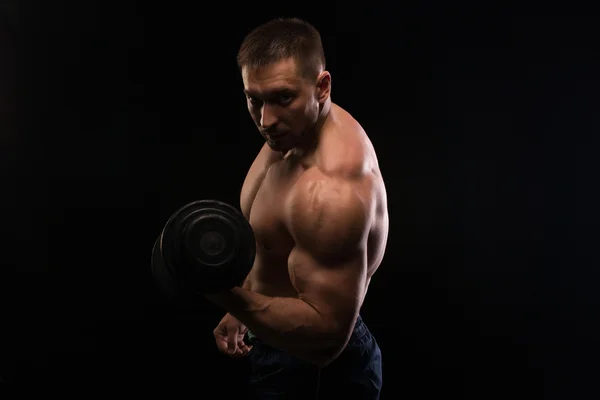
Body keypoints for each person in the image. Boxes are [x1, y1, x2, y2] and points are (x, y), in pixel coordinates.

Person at [206, 17, 389, 399]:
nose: (264, 120)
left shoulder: (331, 189)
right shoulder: (290, 129)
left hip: (318, 373)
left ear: (321, 87)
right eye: (253, 99)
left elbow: (327, 340)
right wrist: (245, 308)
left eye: (282, 98)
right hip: (279, 345)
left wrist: (226, 295)